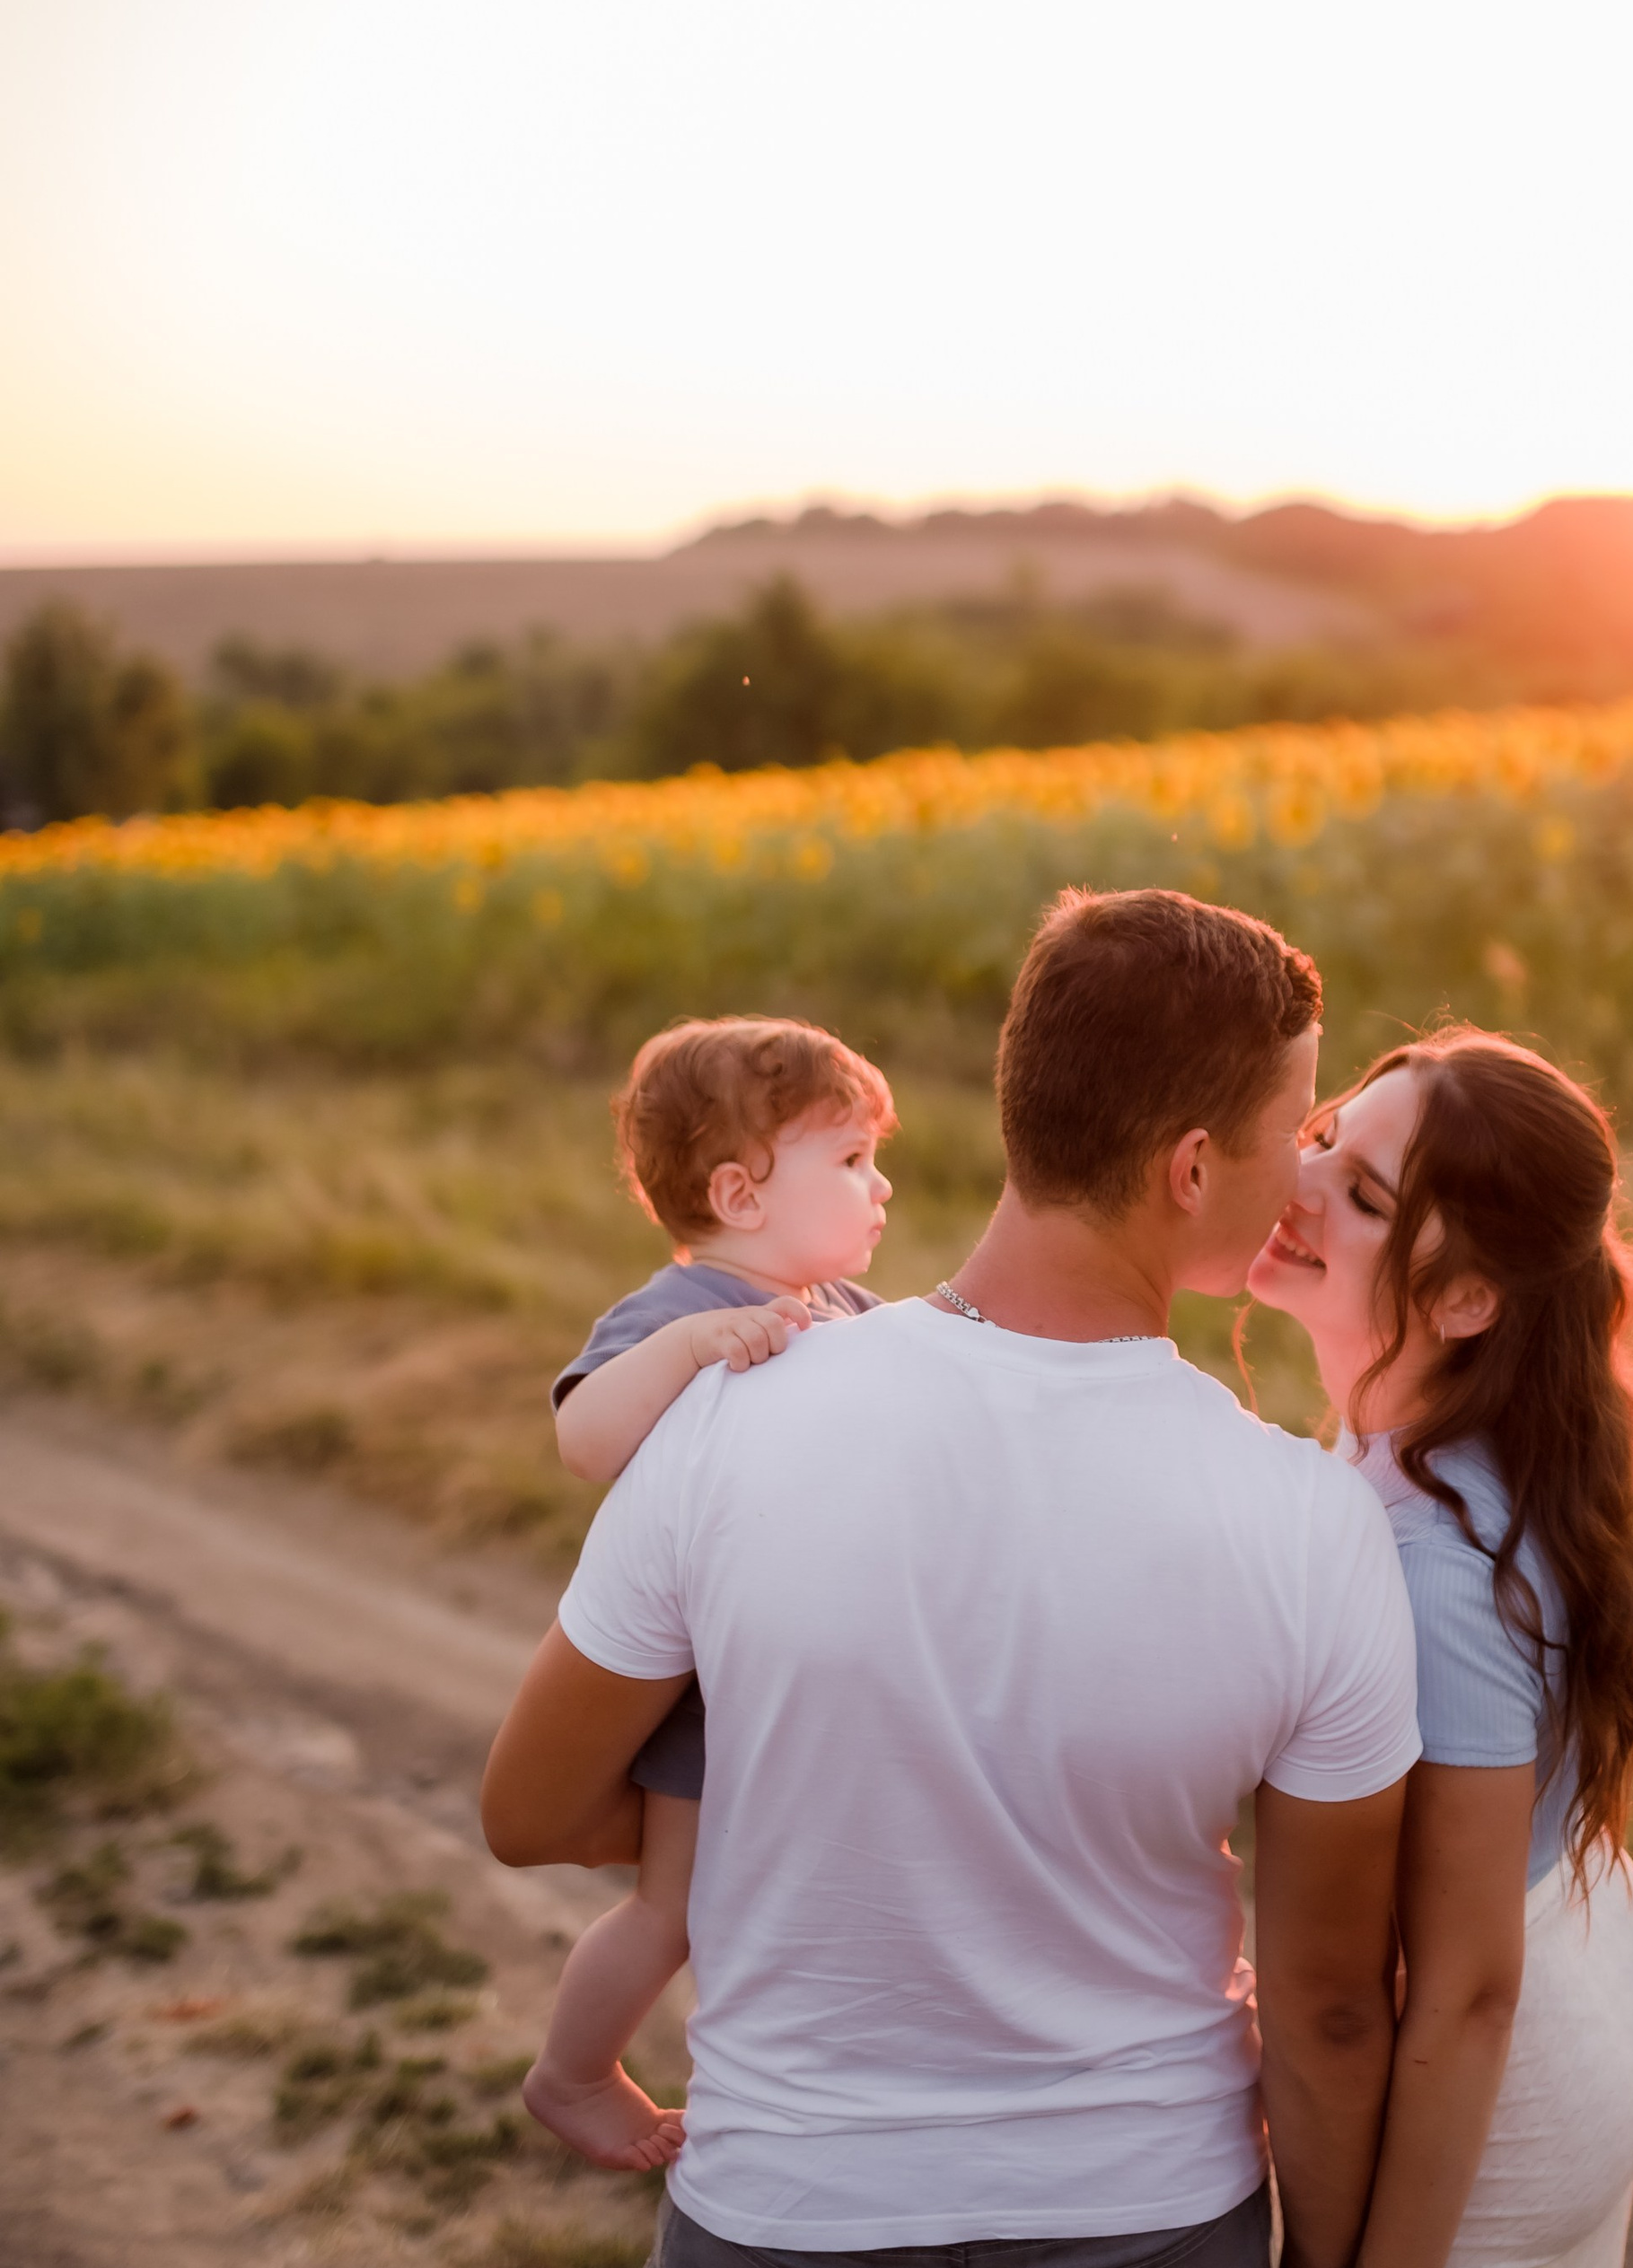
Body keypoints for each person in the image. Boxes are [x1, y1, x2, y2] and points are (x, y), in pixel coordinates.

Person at [483, 889, 1421, 2268]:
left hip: (786, 2209)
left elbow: (531, 1808)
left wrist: (825, 1812)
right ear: (1193, 1167)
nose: (1302, 1170)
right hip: (1148, 2211)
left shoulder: (730, 1418)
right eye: (1296, 1130)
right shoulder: (1314, 1524)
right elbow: (1333, 2006)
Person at [1249, 1029, 1633, 2268]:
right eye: (1325, 1137)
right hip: (1603, 1963)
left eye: (1365, 1197)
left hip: (1520, 2075)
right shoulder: (1443, 1452)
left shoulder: (1434, 1565)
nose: (1299, 1184)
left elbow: (1466, 1987)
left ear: (1464, 1298)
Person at [526, 1015, 898, 2171]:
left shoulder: (850, 1317)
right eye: (850, 1162)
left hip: (811, 1673)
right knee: (671, 1909)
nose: (879, 1186)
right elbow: (584, 1440)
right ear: (740, 1193)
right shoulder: (677, 1314)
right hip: (703, 1689)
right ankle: (574, 2075)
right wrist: (693, 1352)